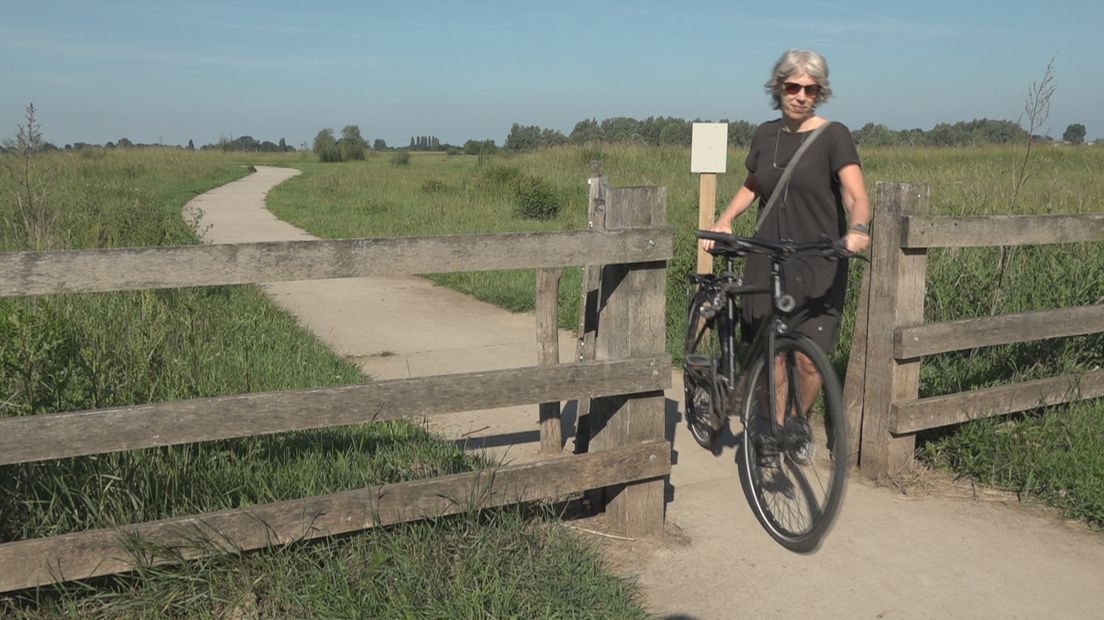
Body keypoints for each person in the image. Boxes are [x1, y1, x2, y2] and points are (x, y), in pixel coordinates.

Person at [703, 48, 871, 464]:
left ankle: (797, 420)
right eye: (793, 86)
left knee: (809, 360)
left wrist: (858, 228)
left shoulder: (834, 136)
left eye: (810, 89)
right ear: (778, 88)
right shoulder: (764, 134)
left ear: (820, 92)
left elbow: (856, 195)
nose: (800, 95)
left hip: (818, 261)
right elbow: (754, 185)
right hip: (768, 255)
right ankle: (772, 434)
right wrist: (725, 218)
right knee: (775, 354)